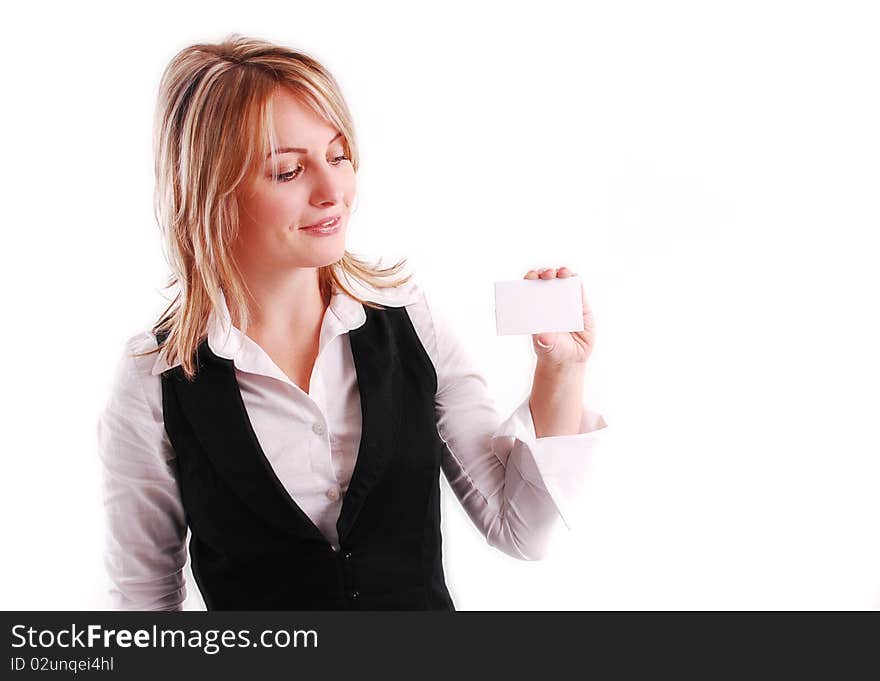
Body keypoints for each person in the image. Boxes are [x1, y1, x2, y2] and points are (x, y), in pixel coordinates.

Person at [97, 34, 608, 611]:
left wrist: (560, 371)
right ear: (210, 191)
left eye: (338, 157)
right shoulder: (154, 378)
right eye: (288, 171)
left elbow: (521, 531)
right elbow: (143, 604)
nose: (332, 190)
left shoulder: (408, 321)